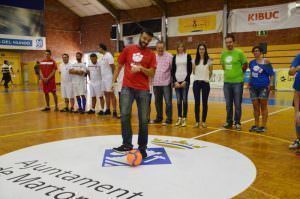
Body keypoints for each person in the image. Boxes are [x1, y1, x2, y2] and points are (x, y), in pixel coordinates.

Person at [112, 30, 157, 159]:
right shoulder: (128, 49)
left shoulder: (151, 54)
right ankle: (126, 144)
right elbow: (119, 65)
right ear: (140, 37)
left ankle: (142, 147)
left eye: (148, 40)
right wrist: (113, 81)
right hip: (127, 88)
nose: (145, 41)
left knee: (143, 120)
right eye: (144, 38)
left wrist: (141, 68)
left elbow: (152, 73)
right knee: (125, 115)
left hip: (143, 90)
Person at [220, 34, 248, 130]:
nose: (229, 44)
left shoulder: (239, 53)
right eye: (227, 42)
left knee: (237, 103)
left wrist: (239, 73)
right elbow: (223, 66)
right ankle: (229, 122)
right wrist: (229, 74)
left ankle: (237, 122)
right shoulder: (223, 54)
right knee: (228, 104)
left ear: (234, 42)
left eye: (230, 42)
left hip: (238, 82)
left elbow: (245, 64)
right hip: (227, 82)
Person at [248, 46, 274, 133]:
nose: (255, 52)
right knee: (255, 107)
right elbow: (252, 73)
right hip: (253, 87)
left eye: (257, 51)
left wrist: (271, 85)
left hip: (263, 87)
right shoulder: (251, 63)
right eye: (254, 51)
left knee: (263, 107)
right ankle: (256, 125)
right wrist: (249, 82)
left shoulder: (266, 62)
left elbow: (272, 74)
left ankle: (263, 126)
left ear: (260, 52)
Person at [171, 42, 192, 127]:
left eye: (182, 47)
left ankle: (184, 119)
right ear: (177, 48)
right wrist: (175, 81)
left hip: (185, 81)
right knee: (179, 100)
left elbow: (190, 70)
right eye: (179, 47)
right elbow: (172, 70)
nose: (180, 48)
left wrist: (185, 81)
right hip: (177, 81)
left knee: (185, 100)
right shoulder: (174, 57)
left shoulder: (188, 56)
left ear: (184, 48)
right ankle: (179, 118)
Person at [152, 41, 173, 125]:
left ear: (164, 47)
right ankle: (159, 118)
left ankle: (169, 119)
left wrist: (172, 81)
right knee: (157, 102)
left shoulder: (170, 56)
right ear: (156, 48)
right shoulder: (153, 56)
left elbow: (172, 69)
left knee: (168, 102)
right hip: (156, 83)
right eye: (158, 48)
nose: (160, 49)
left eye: (161, 48)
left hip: (166, 83)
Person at [192, 44, 213, 128]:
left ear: (205, 50)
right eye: (200, 49)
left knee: (205, 103)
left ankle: (203, 121)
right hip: (196, 83)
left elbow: (211, 72)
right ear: (198, 50)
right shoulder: (194, 61)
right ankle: (197, 121)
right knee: (197, 103)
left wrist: (206, 78)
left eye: (203, 49)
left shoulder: (209, 60)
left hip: (205, 83)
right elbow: (193, 72)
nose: (201, 50)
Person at [99, 43, 118, 117]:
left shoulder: (109, 55)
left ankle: (114, 111)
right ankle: (108, 109)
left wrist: (114, 78)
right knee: (106, 94)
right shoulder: (102, 57)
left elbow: (113, 67)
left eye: (99, 48)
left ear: (102, 48)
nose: (98, 49)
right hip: (103, 79)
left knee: (111, 94)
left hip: (109, 78)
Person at [289, 54, 300, 150]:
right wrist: (297, 68)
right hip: (298, 91)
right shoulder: (298, 57)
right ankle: (298, 140)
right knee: (298, 118)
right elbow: (290, 72)